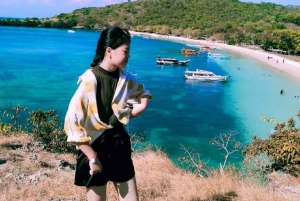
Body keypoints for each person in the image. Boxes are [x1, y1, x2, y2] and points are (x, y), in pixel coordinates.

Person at [64, 26, 152, 201]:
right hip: (95, 149)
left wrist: (141, 107)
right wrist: (92, 157)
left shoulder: (125, 79)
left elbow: (144, 92)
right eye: (125, 51)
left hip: (119, 146)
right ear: (109, 51)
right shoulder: (89, 81)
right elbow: (71, 123)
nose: (128, 56)